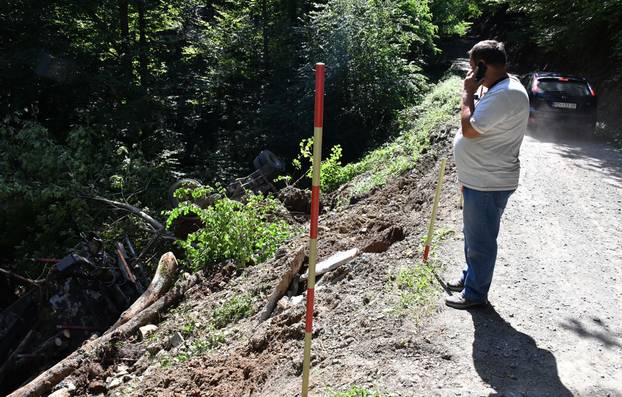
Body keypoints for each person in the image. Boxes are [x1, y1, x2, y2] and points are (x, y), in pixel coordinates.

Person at [446, 40, 529, 309]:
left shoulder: (505, 94)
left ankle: (475, 294)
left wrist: (467, 93)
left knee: (481, 240)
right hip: (480, 178)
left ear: (482, 67)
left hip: (487, 181)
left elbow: (470, 130)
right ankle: (470, 278)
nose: (469, 73)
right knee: (473, 234)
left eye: (472, 67)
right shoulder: (499, 88)